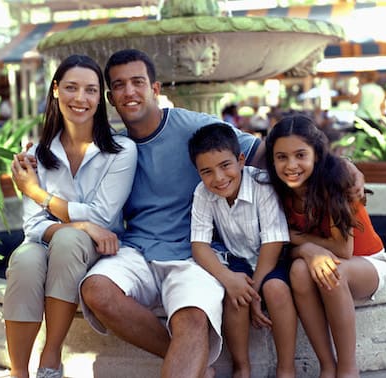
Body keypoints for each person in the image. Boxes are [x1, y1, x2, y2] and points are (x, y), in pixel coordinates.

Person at [78, 48, 264, 378]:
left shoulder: (193, 127)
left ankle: (189, 356)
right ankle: (192, 362)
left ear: (155, 88)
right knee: (95, 290)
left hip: (196, 254)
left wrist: (334, 168)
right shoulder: (115, 149)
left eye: (138, 82)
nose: (129, 92)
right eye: (119, 85)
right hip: (137, 250)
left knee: (191, 319)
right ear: (110, 96)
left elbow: (258, 151)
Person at [4, 54, 137, 378]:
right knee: (24, 260)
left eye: (90, 90)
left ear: (100, 98)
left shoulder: (121, 151)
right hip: (48, 242)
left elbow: (103, 219)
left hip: (96, 250)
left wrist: (37, 193)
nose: (81, 98)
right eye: (71, 88)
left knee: (68, 239)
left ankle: (51, 359)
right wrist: (80, 223)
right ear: (55, 91)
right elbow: (33, 225)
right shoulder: (36, 153)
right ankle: (18, 371)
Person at [265, 114, 386, 378]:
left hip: (366, 262)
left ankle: (347, 368)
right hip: (322, 261)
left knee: (333, 270)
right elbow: (286, 246)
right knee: (299, 270)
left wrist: (297, 240)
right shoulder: (279, 191)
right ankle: (327, 365)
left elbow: (343, 251)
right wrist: (306, 250)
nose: (291, 165)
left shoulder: (333, 183)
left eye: (301, 155)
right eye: (281, 157)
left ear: (316, 155)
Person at [188, 123, 297, 378]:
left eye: (225, 166)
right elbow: (199, 245)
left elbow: (273, 242)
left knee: (276, 291)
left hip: (272, 259)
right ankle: (241, 367)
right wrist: (229, 279)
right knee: (234, 296)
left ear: (240, 160)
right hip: (237, 258)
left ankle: (286, 369)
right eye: (207, 171)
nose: (218, 178)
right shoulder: (203, 193)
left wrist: (255, 291)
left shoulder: (262, 185)